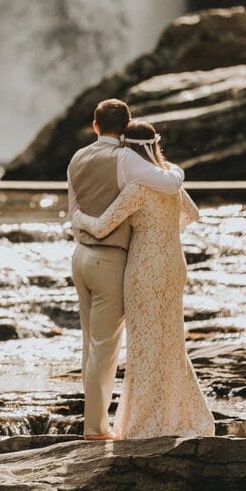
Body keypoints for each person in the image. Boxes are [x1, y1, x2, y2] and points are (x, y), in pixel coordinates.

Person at [72, 120, 214, 439]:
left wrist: (78, 218)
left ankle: (146, 420)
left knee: (144, 344)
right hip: (173, 263)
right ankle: (178, 415)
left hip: (144, 267)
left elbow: (102, 226)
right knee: (171, 341)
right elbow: (193, 214)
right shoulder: (171, 183)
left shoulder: (137, 189)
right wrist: (164, 226)